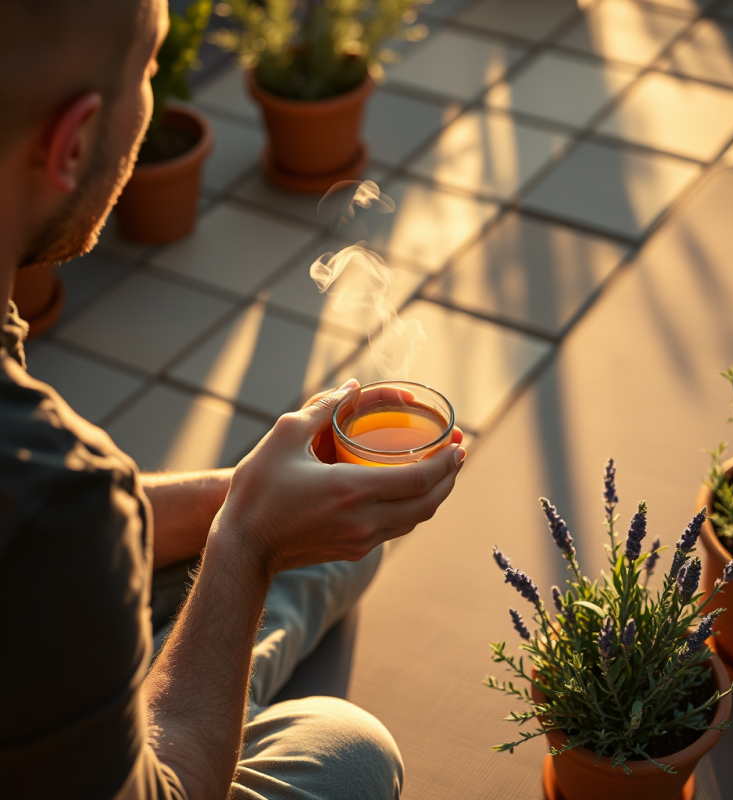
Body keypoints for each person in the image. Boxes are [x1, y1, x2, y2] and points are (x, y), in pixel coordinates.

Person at [0, 1, 466, 798]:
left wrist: (236, 499)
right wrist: (246, 540)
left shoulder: (47, 497)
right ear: (73, 142)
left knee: (331, 560)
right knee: (349, 752)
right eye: (150, 70)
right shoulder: (57, 492)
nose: (152, 97)